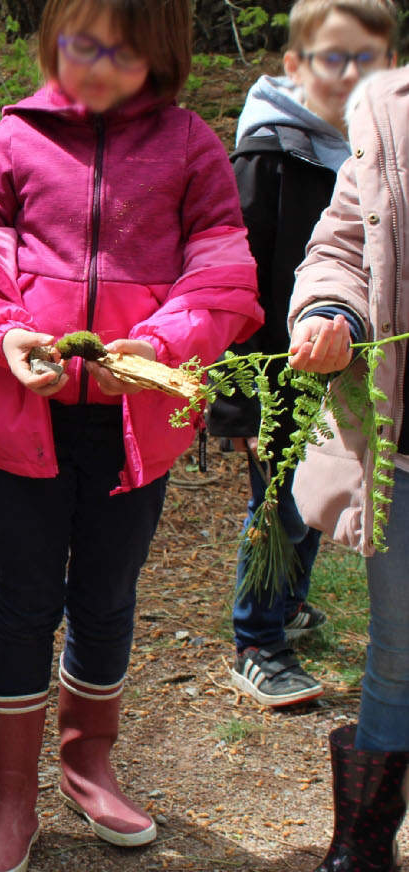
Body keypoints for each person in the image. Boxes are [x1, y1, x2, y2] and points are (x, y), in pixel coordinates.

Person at [0, 0, 263, 872]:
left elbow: (225, 277)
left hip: (136, 427)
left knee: (107, 597)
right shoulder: (13, 141)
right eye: (81, 43)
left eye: (123, 49)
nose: (98, 66)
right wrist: (8, 340)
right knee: (24, 599)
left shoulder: (191, 148)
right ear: (54, 37)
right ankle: (11, 804)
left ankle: (91, 772)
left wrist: (160, 348)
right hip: (27, 418)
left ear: (163, 48)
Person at [209, 0, 398, 710]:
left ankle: (287, 603)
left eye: (369, 60)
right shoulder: (266, 156)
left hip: (347, 361)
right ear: (295, 66)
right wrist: (241, 410)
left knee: (319, 493)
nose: (351, 77)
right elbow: (241, 284)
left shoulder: (380, 148)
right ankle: (257, 638)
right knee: (280, 500)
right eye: (332, 59)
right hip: (277, 371)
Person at [289, 65, 409, 872]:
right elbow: (340, 245)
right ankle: (362, 844)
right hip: (404, 449)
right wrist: (333, 311)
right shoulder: (388, 109)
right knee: (400, 646)